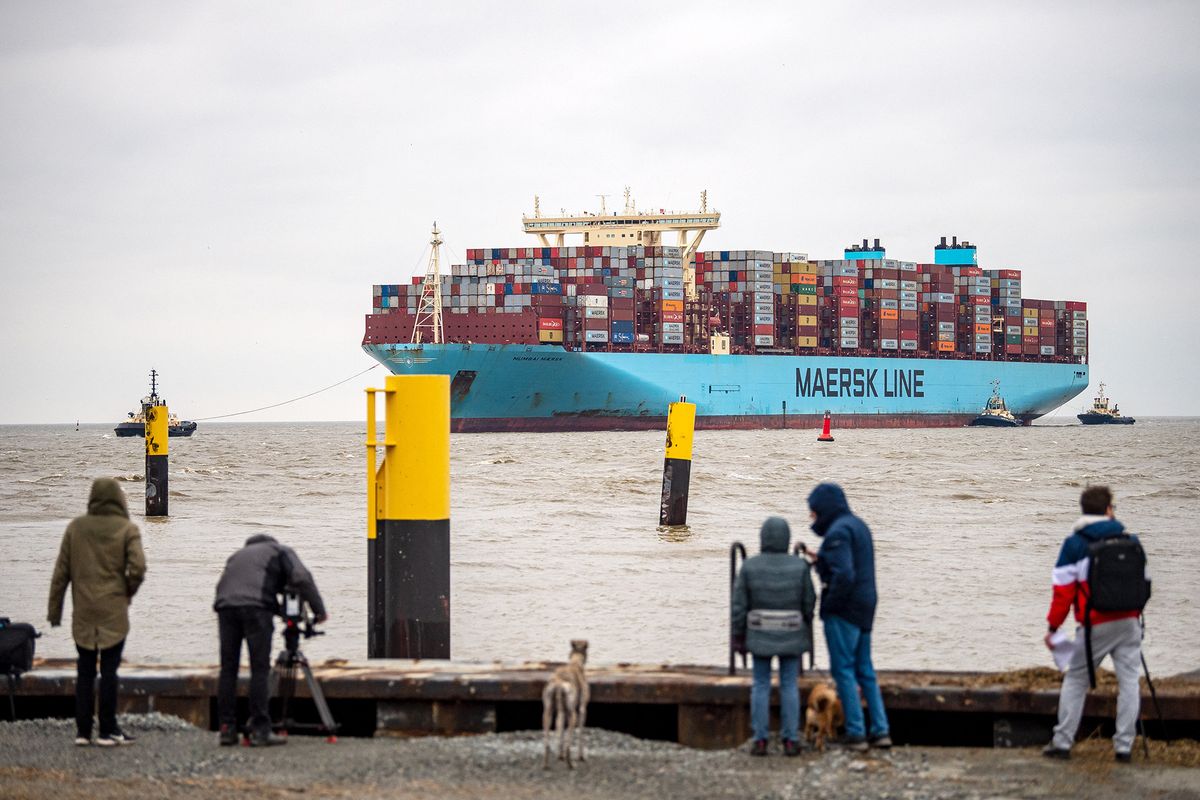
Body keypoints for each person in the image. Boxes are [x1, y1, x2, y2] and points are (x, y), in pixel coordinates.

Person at [1042, 486, 1143, 763]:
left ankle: (1062, 743)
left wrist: (1053, 627)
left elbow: (1063, 591)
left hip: (1094, 624)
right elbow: (1143, 583)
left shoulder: (1075, 544)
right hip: (1130, 621)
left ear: (1083, 510)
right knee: (1130, 682)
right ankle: (1124, 748)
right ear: (1109, 510)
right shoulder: (1131, 540)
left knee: (1075, 680)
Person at [47, 477, 147, 747]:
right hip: (114, 609)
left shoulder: (76, 528)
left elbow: (61, 574)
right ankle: (108, 730)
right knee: (110, 671)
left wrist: (54, 612)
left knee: (85, 670)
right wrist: (127, 592)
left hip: (84, 612)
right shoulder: (127, 529)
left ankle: (82, 732)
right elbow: (138, 568)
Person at [213, 534, 326, 747]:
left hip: (225, 607)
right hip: (256, 610)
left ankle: (226, 729)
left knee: (228, 669)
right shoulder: (280, 550)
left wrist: (277, 609)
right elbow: (301, 578)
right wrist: (319, 611)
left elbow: (234, 586)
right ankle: (260, 730)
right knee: (259, 669)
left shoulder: (237, 556)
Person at [807, 482, 891, 752]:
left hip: (845, 610)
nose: (813, 518)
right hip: (867, 605)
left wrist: (829, 605)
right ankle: (880, 731)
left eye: (814, 512)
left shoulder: (837, 533)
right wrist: (821, 560)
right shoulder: (858, 526)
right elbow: (851, 563)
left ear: (825, 509)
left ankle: (856, 733)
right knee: (865, 670)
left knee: (842, 670)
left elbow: (844, 575)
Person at [730, 516, 816, 757]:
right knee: (789, 684)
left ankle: (760, 739)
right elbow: (809, 600)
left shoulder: (749, 567)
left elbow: (739, 606)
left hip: (759, 632)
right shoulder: (799, 566)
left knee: (760, 684)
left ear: (762, 538)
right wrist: (805, 621)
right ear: (787, 539)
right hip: (791, 631)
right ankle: (790, 739)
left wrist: (738, 635)